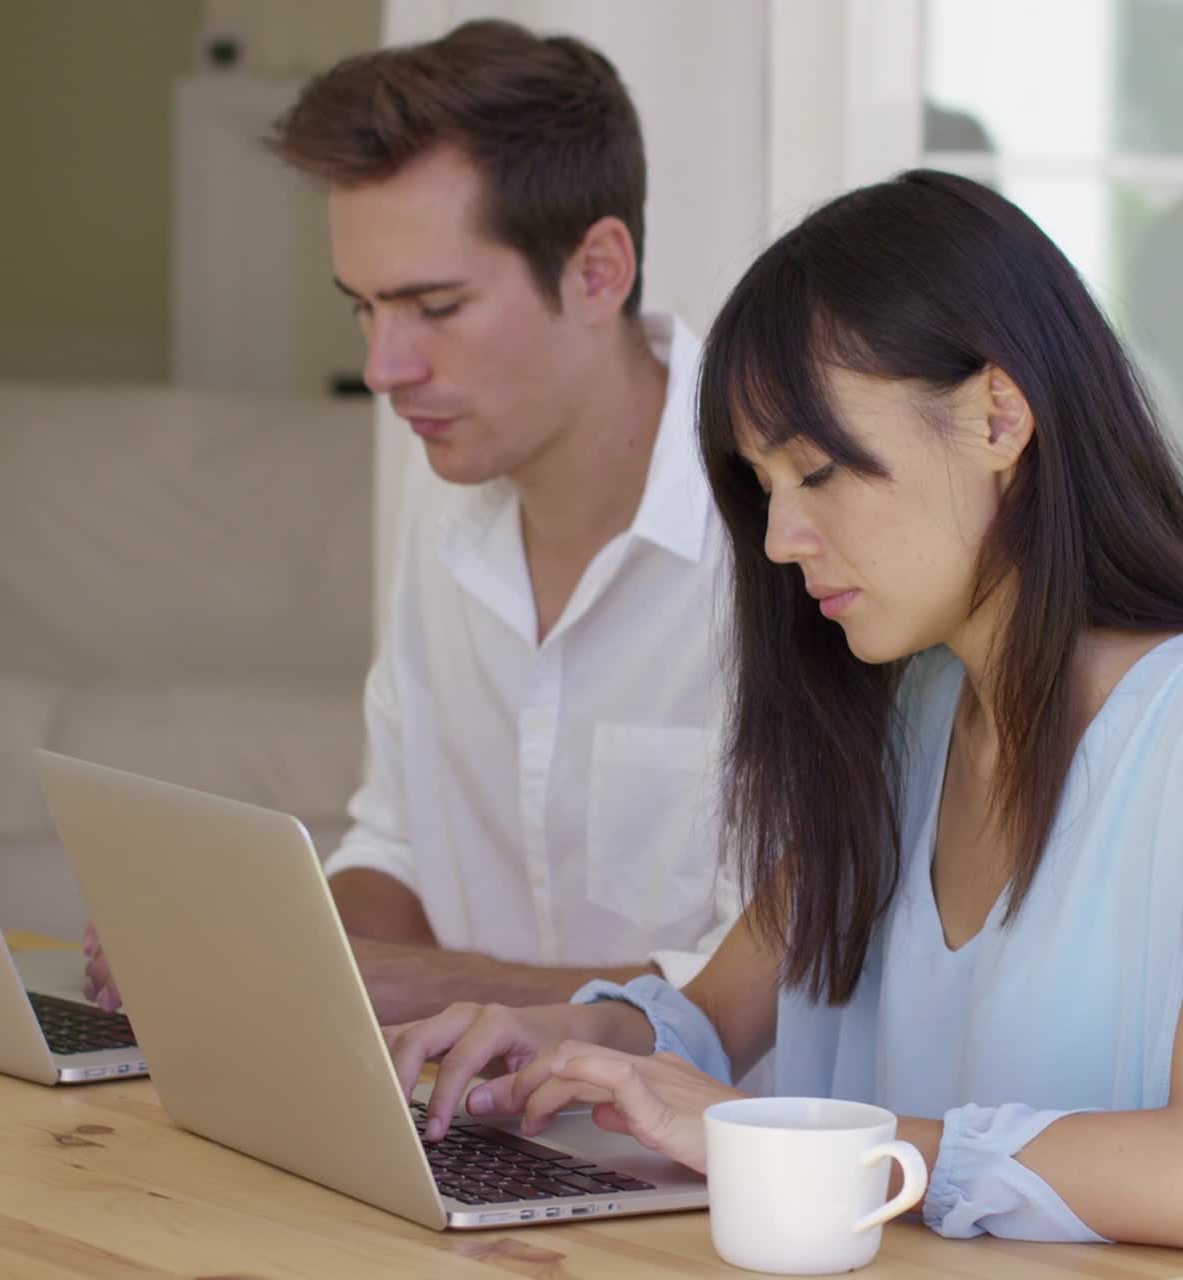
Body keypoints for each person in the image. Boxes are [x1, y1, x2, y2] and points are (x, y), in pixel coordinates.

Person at [384, 169, 1183, 1248]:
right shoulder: (907, 720)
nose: (777, 541)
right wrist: (567, 1037)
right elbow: (713, 1016)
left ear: (998, 414)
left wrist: (812, 1143)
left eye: (817, 472)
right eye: (762, 487)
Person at [82, 20, 741, 1026]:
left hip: (701, 1165)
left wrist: (450, 983)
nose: (384, 369)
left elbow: (794, 989)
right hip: (459, 1126)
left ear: (598, 270)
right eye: (364, 307)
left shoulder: (785, 533)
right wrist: (253, 942)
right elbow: (397, 844)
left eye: (433, 306)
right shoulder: (446, 490)